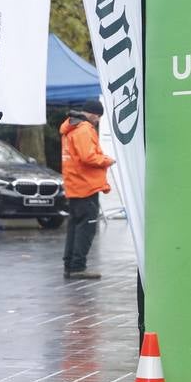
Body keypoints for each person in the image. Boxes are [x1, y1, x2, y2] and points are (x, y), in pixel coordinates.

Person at [60, 100, 115, 280]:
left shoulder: (71, 128)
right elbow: (88, 157)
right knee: (86, 228)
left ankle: (70, 265)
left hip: (75, 184)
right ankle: (78, 267)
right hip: (86, 185)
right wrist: (107, 160)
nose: (98, 121)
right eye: (98, 117)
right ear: (92, 114)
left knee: (75, 226)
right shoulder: (84, 129)